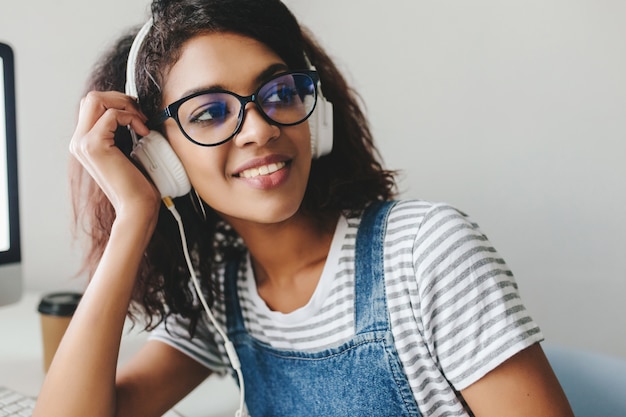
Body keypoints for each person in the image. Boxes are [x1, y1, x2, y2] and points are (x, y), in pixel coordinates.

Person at [33, 0, 574, 416]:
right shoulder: (221, 288)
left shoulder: (426, 252)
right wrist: (134, 216)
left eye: (279, 92)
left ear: (315, 112)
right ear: (159, 155)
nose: (262, 128)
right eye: (209, 113)